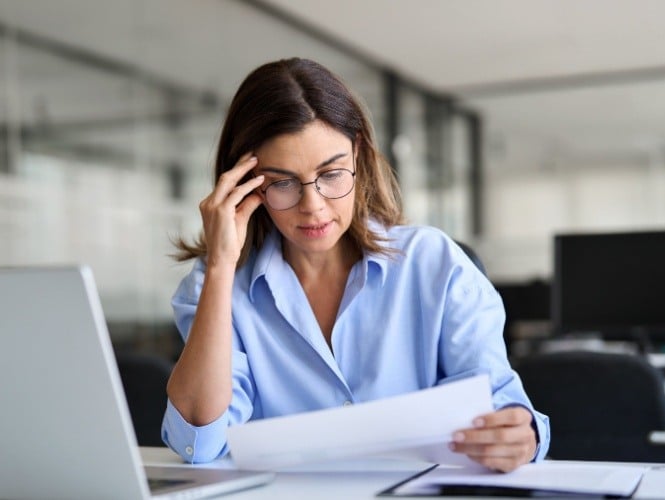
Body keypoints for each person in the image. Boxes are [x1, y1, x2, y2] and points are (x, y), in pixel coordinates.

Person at [163, 57, 550, 472]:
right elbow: (200, 439)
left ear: (358, 156)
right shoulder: (216, 286)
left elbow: (499, 402)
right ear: (244, 185)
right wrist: (221, 266)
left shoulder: (435, 265)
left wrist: (519, 434)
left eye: (331, 174)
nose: (313, 207)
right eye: (282, 182)